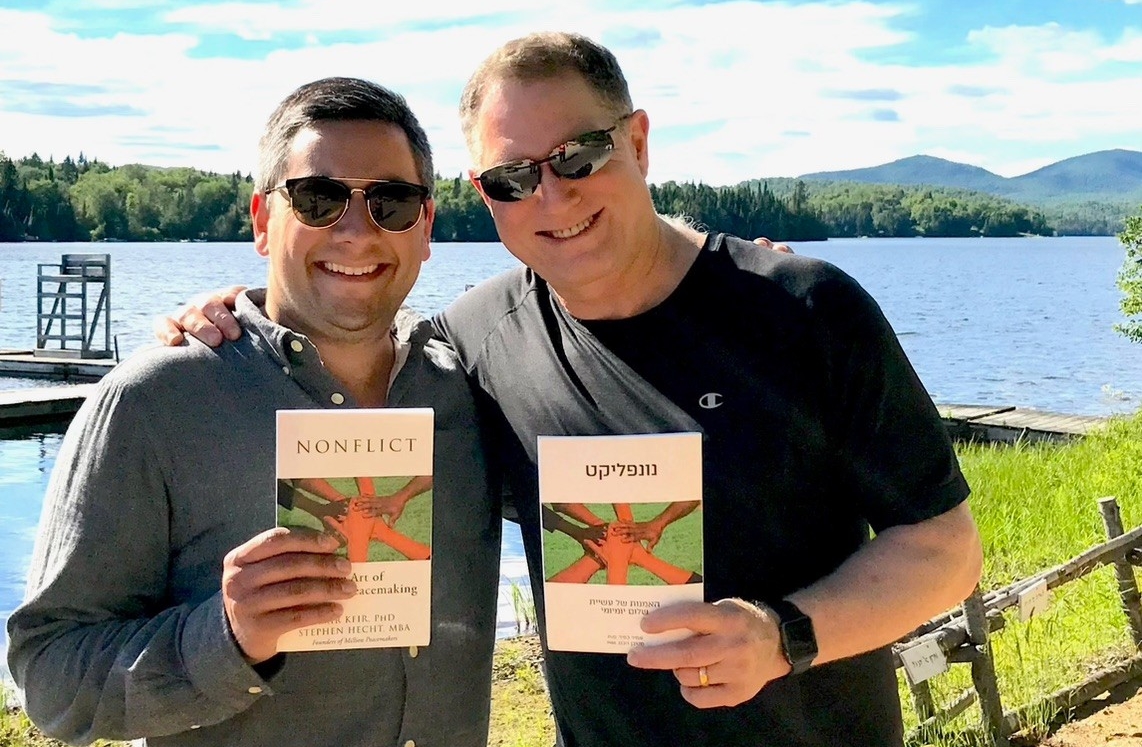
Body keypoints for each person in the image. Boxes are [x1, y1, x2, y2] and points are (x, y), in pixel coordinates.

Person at [158, 32, 982, 747]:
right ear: (483, 196)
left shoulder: (804, 310)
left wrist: (782, 636)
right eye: (513, 179)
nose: (553, 196)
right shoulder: (474, 342)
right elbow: (352, 340)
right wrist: (248, 307)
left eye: (579, 156)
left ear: (639, 142)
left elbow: (945, 550)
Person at [7, 77, 500, 747]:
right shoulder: (158, 402)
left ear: (426, 225)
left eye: (391, 200)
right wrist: (227, 637)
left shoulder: (472, 388)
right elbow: (51, 679)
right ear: (264, 221)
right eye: (319, 198)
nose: (356, 230)